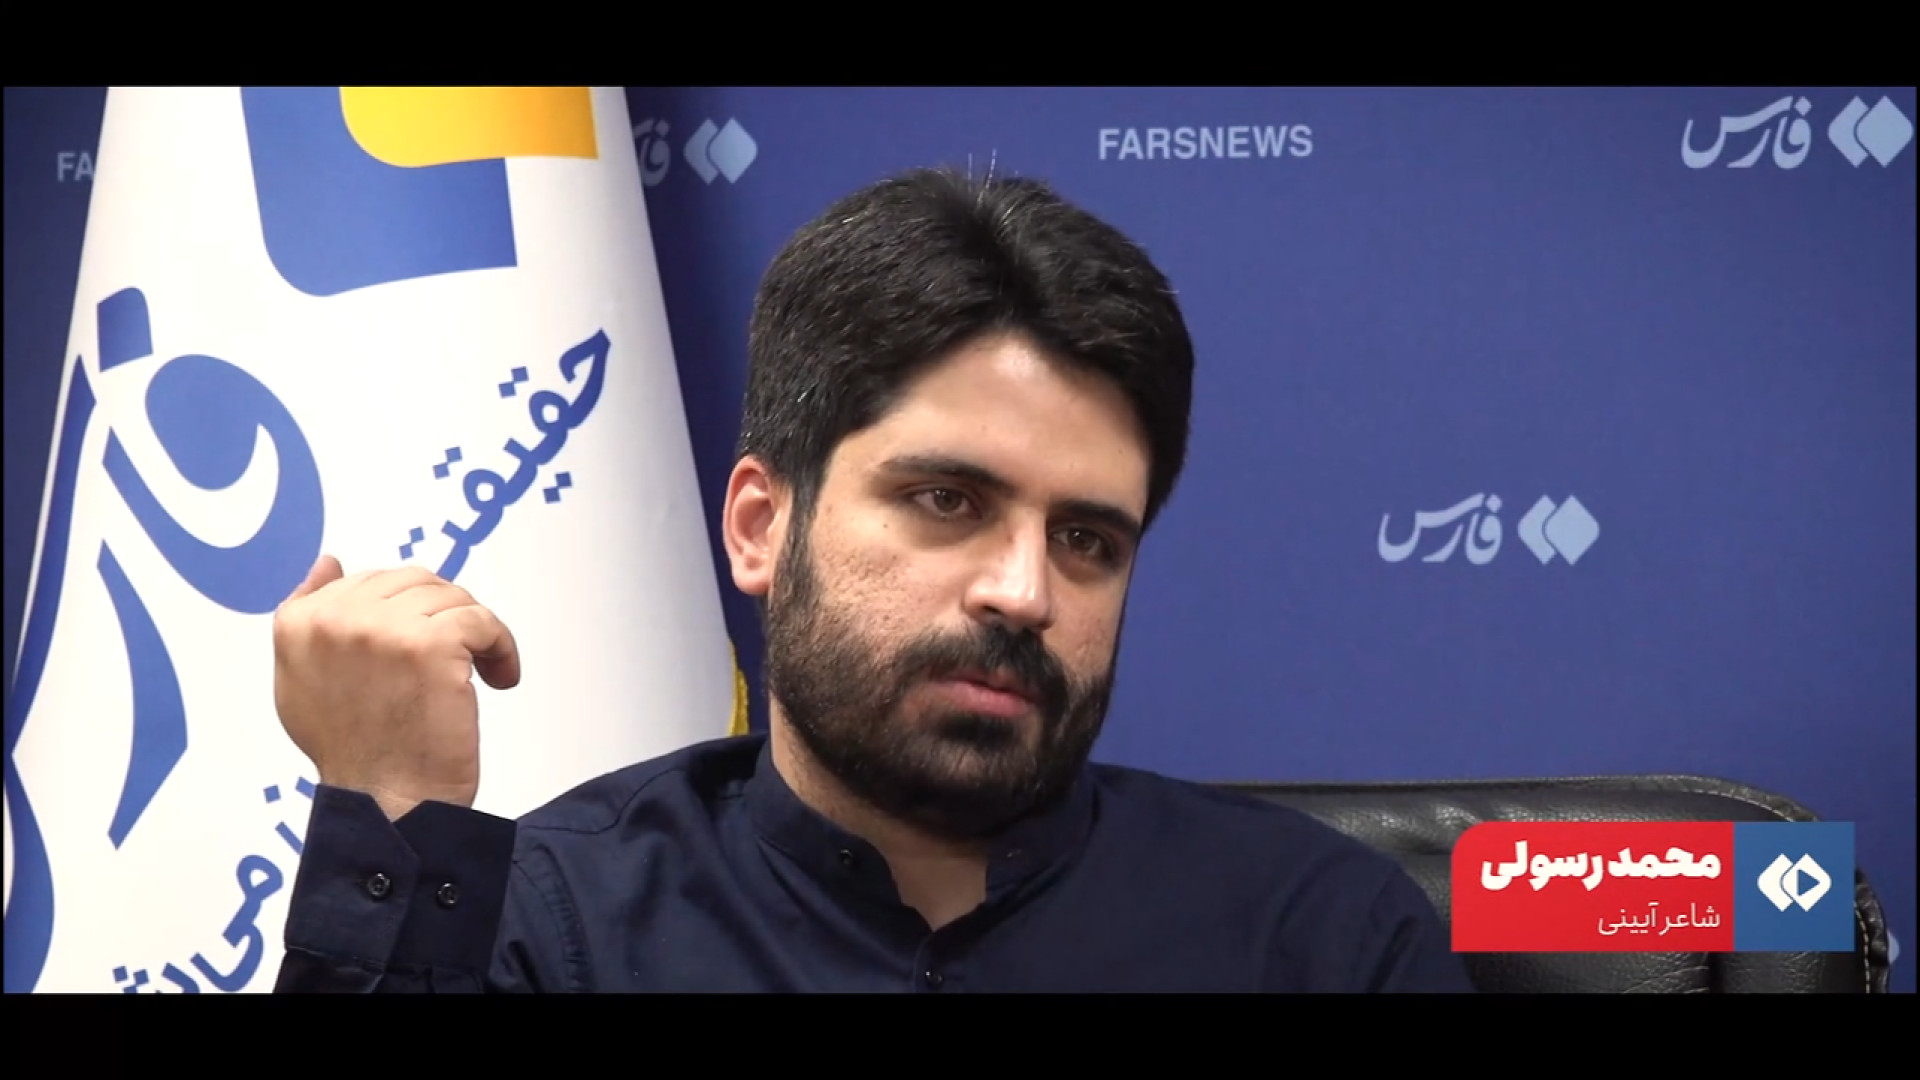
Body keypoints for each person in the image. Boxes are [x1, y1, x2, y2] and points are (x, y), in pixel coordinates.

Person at [270, 166, 1475, 993]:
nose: (1024, 593)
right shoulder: (552, 920)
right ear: (761, 528)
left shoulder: (1321, 938)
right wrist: (391, 817)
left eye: (1087, 540)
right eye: (948, 501)